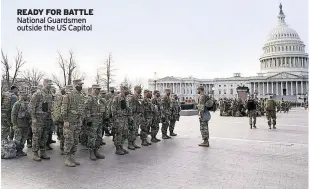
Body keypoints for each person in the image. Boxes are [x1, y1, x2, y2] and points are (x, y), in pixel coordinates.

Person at [61, 79, 86, 167]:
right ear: (75, 85)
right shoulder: (68, 96)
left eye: (81, 84)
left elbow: (82, 108)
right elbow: (64, 109)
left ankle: (72, 157)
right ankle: (67, 159)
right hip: (70, 122)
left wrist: (81, 120)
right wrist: (66, 120)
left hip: (77, 122)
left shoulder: (81, 95)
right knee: (69, 140)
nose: (81, 86)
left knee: (75, 141)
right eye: (79, 84)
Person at [30, 79, 53, 161]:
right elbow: (32, 107)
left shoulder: (50, 94)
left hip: (47, 119)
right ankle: (35, 153)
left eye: (51, 84)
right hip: (38, 120)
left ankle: (43, 152)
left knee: (44, 136)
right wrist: (33, 118)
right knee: (37, 137)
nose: (50, 86)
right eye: (48, 84)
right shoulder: (37, 94)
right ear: (43, 84)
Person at [11, 91, 31, 157]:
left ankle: (20, 150)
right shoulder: (17, 104)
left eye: (25, 95)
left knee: (24, 138)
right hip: (19, 125)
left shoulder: (27, 104)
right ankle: (17, 151)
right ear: (20, 96)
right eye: (23, 95)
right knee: (18, 139)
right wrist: (14, 125)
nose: (24, 96)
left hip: (26, 125)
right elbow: (13, 115)